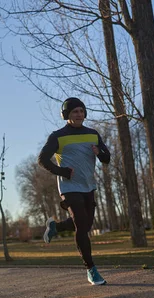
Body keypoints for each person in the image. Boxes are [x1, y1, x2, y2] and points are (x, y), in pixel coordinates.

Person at [37, 97, 111, 285]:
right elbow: (43, 159)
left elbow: (106, 158)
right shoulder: (58, 136)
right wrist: (61, 171)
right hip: (69, 186)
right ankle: (91, 269)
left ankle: (57, 227)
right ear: (66, 115)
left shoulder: (93, 134)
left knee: (85, 224)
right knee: (81, 227)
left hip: (89, 185)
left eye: (81, 111)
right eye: (74, 112)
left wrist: (99, 153)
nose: (79, 115)